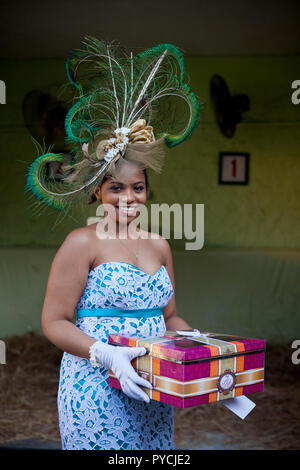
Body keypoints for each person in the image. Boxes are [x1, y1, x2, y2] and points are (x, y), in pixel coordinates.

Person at [25, 36, 204, 450]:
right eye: (117, 188)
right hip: (97, 390)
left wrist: (204, 352)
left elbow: (170, 316)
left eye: (138, 188)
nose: (129, 198)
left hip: (153, 391)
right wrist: (107, 355)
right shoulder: (81, 243)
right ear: (97, 193)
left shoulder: (159, 244)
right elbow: (54, 322)